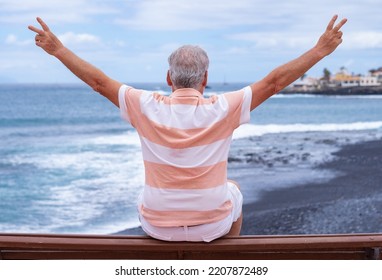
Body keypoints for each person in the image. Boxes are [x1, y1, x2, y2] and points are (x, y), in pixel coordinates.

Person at [28, 15, 347, 242]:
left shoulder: (143, 105)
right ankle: (225, 259)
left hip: (156, 228)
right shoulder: (224, 107)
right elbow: (275, 82)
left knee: (148, 194)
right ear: (206, 79)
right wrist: (320, 50)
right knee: (233, 187)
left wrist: (58, 50)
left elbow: (98, 82)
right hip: (214, 227)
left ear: (169, 78)